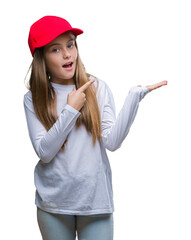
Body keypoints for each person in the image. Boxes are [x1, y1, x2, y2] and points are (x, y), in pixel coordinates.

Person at [24, 15, 167, 240]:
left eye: (70, 44)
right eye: (55, 49)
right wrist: (70, 110)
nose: (67, 54)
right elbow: (45, 153)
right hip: (53, 205)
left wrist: (134, 98)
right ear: (41, 57)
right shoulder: (34, 98)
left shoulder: (97, 88)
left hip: (95, 202)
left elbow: (112, 142)